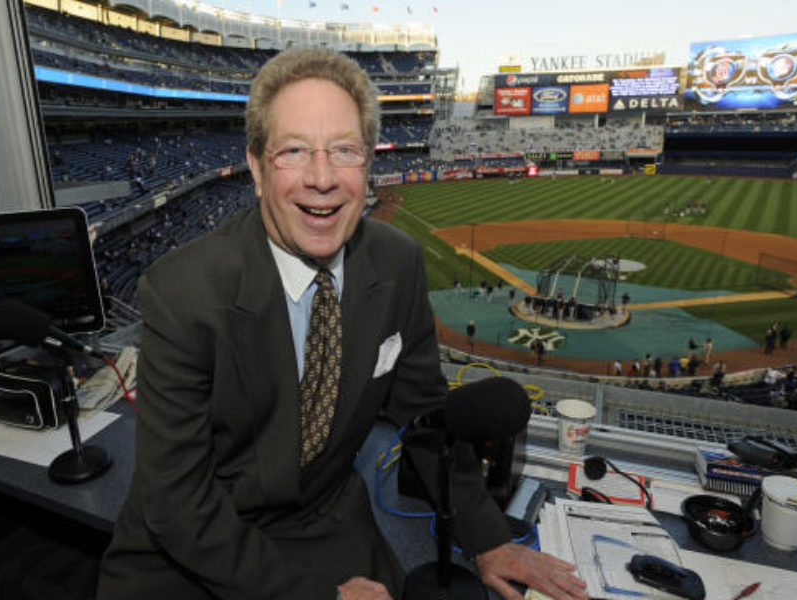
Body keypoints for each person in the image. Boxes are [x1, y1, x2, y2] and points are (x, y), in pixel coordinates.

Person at [96, 47, 586, 600]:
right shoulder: (183, 293)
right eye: (295, 151)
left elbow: (426, 418)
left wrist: (485, 537)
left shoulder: (398, 264)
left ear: (368, 164)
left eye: (344, 151)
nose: (322, 179)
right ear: (257, 168)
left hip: (322, 520)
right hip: (192, 544)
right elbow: (179, 506)